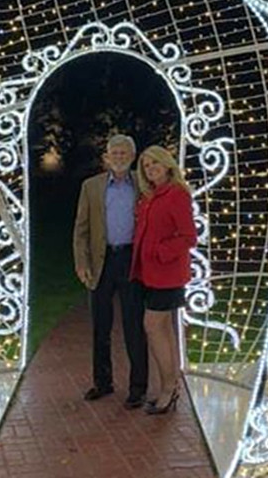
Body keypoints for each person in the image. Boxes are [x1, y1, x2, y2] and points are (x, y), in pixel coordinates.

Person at [73, 134, 148, 409]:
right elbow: (81, 230)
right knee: (100, 327)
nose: (118, 156)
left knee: (134, 326)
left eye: (124, 153)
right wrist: (81, 262)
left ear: (132, 156)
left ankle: (138, 388)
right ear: (106, 156)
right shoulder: (91, 187)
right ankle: (102, 383)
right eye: (114, 152)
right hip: (101, 262)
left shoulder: (143, 185)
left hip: (131, 261)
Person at [130, 145, 197, 415]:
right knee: (164, 329)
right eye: (146, 166)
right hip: (149, 273)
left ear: (167, 164)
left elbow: (188, 236)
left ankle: (167, 389)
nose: (150, 169)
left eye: (155, 163)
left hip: (167, 273)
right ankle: (171, 385)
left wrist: (160, 252)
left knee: (152, 326)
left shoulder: (176, 194)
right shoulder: (150, 195)